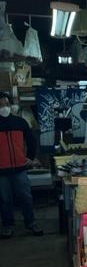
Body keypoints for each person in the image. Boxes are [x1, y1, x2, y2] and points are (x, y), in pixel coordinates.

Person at [0, 92, 43, 238]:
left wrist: (30, 158)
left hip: (20, 169)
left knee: (26, 197)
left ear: (10, 105)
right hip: (1, 171)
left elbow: (32, 140)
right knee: (5, 199)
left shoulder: (20, 122)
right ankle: (8, 226)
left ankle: (31, 223)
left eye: (6, 104)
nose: (4, 108)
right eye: (0, 105)